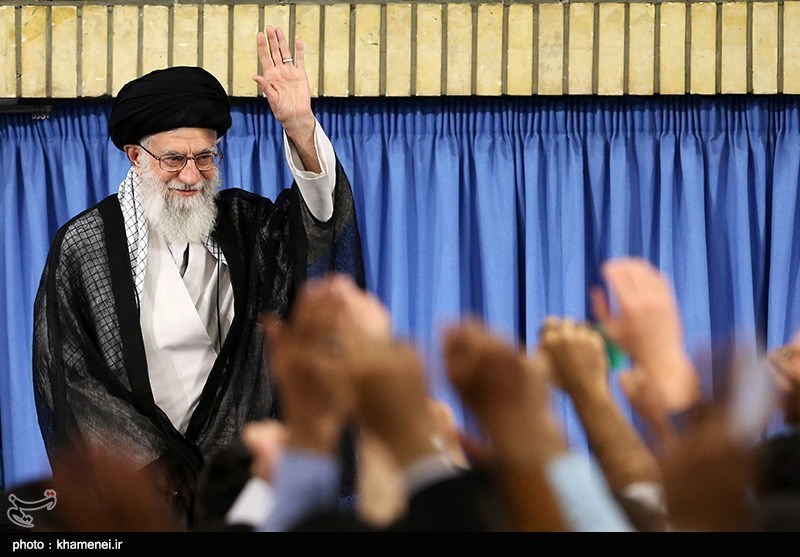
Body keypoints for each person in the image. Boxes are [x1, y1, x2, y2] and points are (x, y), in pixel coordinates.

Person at [32, 25, 363, 528]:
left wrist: (300, 126)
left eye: (204, 157)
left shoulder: (245, 224)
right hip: (146, 491)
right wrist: (162, 471)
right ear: (135, 156)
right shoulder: (86, 245)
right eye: (174, 159)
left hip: (241, 487)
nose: (191, 175)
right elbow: (70, 377)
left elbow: (318, 230)